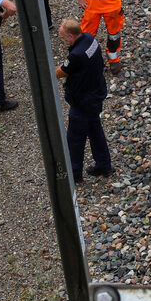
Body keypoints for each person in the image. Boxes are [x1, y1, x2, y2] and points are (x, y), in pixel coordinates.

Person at [55, 18, 112, 183]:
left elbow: (61, 72)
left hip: (82, 101)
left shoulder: (75, 55)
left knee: (74, 139)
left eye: (64, 38)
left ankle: (74, 174)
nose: (63, 41)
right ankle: (104, 165)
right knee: (95, 131)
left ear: (71, 36)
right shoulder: (90, 39)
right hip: (96, 94)